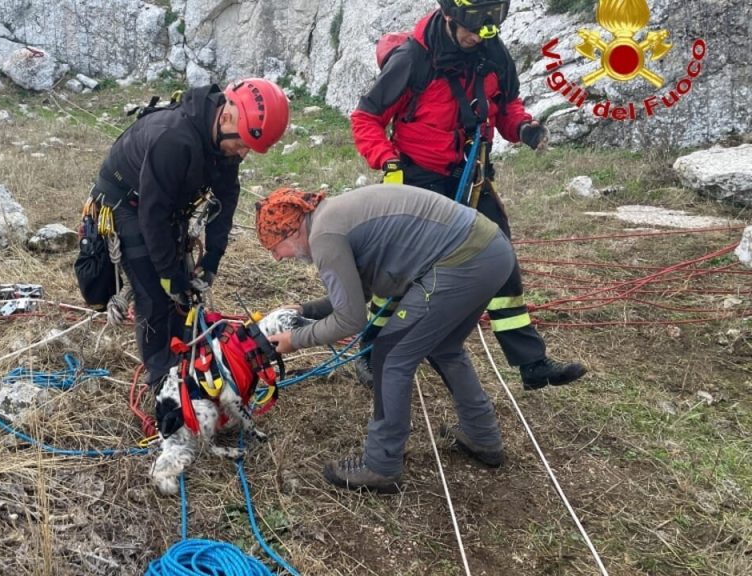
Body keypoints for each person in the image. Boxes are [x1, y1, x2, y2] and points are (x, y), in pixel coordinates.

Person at [349, 0, 586, 391]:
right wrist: (388, 163)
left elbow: (505, 106)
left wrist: (523, 128)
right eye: (471, 31)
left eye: (486, 31)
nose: (477, 38)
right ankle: (371, 353)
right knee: (401, 271)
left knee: (500, 259)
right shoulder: (413, 59)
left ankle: (532, 363)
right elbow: (366, 118)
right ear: (448, 18)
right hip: (417, 178)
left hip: (471, 177)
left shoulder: (492, 52)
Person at [257, 184, 514, 492]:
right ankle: (482, 436)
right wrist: (304, 309)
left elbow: (350, 319)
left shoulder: (324, 236)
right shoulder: (330, 219)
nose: (276, 257)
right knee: (445, 347)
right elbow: (358, 295)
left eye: (274, 247)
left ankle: (381, 465)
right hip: (490, 249)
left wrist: (294, 340)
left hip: (463, 260)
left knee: (390, 356)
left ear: (292, 230)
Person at [86, 79, 289, 390]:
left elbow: (226, 201)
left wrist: (211, 261)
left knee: (185, 294)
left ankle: (184, 361)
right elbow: (153, 216)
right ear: (225, 117)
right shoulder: (174, 139)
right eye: (243, 144)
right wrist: (167, 275)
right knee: (154, 295)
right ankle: (163, 387)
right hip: (128, 203)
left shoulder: (225, 143)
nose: (244, 154)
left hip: (164, 202)